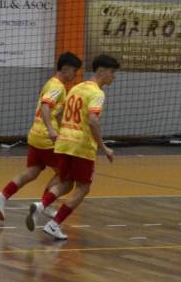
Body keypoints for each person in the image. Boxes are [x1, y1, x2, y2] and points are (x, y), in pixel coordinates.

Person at [26, 54, 120, 242]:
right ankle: (54, 224)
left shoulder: (76, 88)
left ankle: (42, 204)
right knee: (83, 188)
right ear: (101, 71)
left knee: (66, 182)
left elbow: (62, 114)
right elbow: (93, 121)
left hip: (64, 141)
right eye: (111, 72)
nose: (113, 77)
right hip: (81, 145)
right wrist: (103, 147)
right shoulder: (97, 94)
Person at [0, 52, 82, 221]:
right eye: (74, 71)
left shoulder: (50, 83)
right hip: (48, 139)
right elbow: (46, 107)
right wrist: (51, 130)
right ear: (65, 68)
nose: (75, 75)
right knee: (67, 178)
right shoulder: (57, 87)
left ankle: (3, 195)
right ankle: (45, 204)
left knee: (32, 171)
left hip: (35, 135)